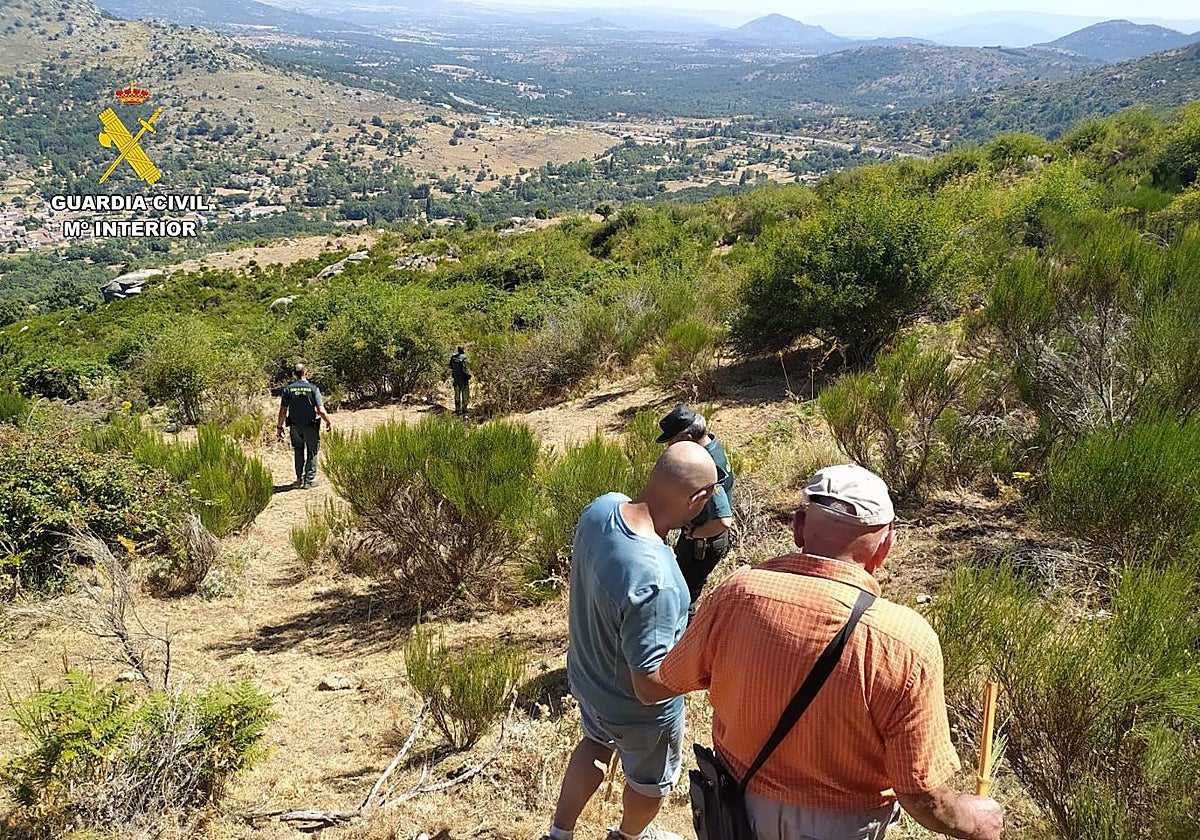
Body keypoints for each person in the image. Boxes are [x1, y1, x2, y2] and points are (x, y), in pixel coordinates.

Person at [633, 464, 1004, 840]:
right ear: (885, 546)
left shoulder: (738, 593)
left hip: (734, 809)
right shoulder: (905, 640)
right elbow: (921, 795)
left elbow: (657, 684)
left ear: (798, 527)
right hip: (840, 826)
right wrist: (975, 822)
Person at [543, 442, 722, 840]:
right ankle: (628, 837)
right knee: (650, 784)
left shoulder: (600, 508)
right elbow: (647, 687)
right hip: (636, 714)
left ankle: (559, 833)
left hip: (588, 680)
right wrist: (710, 670)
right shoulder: (658, 580)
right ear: (696, 499)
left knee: (594, 743)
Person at [655, 405, 735, 612]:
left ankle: (686, 632)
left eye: (672, 442)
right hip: (702, 539)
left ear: (687, 438)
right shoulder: (712, 447)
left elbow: (723, 521)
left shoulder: (707, 466)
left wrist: (695, 533)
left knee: (684, 597)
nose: (669, 448)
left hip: (703, 543)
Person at [276, 363, 332, 489]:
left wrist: (279, 426)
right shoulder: (313, 389)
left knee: (298, 450)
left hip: (295, 426)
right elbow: (320, 410)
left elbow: (283, 410)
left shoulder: (288, 389)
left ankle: (300, 479)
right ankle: (309, 480)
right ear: (306, 372)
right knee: (312, 451)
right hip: (310, 425)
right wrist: (328, 421)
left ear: (294, 374)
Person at [449, 345, 471, 416]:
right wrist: (468, 375)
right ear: (463, 350)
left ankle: (457, 409)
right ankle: (464, 409)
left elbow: (450, 366)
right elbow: (465, 368)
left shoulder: (453, 357)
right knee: (465, 394)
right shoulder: (464, 357)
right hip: (464, 379)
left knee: (457, 394)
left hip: (456, 378)